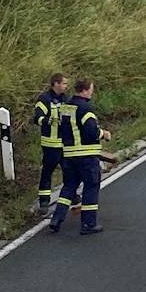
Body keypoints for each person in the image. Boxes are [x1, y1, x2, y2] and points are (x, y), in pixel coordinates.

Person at [50, 78, 111, 235]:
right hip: (86, 156)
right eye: (91, 89)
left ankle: (56, 218)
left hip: (68, 155)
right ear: (85, 90)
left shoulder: (66, 108)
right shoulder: (85, 108)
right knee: (91, 186)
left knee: (69, 186)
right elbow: (91, 131)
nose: (92, 92)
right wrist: (103, 133)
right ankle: (88, 224)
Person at [32, 73, 80, 215]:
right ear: (56, 84)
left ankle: (71, 195)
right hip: (50, 144)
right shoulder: (44, 99)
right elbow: (37, 118)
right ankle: (44, 201)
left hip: (65, 144)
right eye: (64, 83)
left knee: (69, 172)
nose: (66, 86)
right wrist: (50, 120)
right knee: (47, 172)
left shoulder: (66, 99)